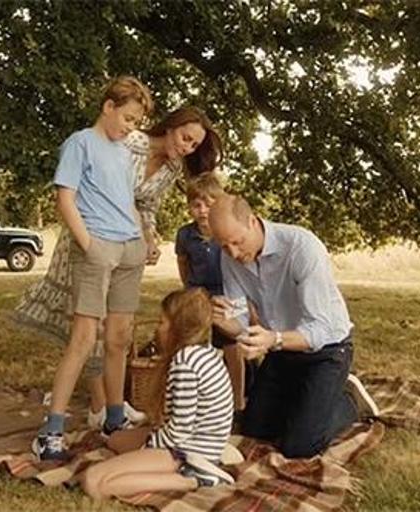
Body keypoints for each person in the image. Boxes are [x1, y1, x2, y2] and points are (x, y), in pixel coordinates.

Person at [16, 105, 223, 429]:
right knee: (90, 328)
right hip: (92, 238)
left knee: (117, 331)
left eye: (194, 145)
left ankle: (109, 408)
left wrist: (150, 238)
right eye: (185, 138)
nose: (186, 148)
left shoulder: (172, 168)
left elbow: (147, 206)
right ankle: (98, 406)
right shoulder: (129, 142)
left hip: (126, 245)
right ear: (171, 127)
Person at [32, 76, 153, 460]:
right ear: (108, 107)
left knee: (119, 339)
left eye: (136, 122)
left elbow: (127, 198)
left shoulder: (122, 152)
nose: (130, 128)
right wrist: (89, 245)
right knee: (84, 339)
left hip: (129, 250)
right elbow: (64, 198)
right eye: (128, 119)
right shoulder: (80, 143)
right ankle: (51, 430)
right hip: (98, 248)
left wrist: (142, 237)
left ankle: (114, 419)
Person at [208, 194, 380, 459]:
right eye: (224, 245)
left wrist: (273, 340)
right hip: (281, 351)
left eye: (237, 242)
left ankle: (349, 400)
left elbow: (320, 330)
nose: (232, 252)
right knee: (256, 429)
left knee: (299, 446)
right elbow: (241, 324)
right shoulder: (228, 256)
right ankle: (307, 401)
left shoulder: (302, 247)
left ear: (253, 222)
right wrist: (223, 322)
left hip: (327, 350)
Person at [81, 288, 235, 500]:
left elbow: (179, 432)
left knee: (93, 481)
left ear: (178, 328)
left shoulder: (185, 363)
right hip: (193, 442)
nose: (157, 329)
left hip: (185, 452)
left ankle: (193, 479)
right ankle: (182, 467)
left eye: (162, 323)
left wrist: (147, 448)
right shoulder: (203, 351)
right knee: (115, 440)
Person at [174, 174, 251, 413]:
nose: (203, 210)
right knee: (195, 346)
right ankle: (198, 400)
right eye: (196, 205)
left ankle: (238, 400)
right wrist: (192, 291)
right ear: (189, 207)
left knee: (232, 347)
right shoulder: (186, 235)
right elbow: (183, 264)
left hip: (228, 295)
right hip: (199, 295)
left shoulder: (225, 234)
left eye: (209, 204)